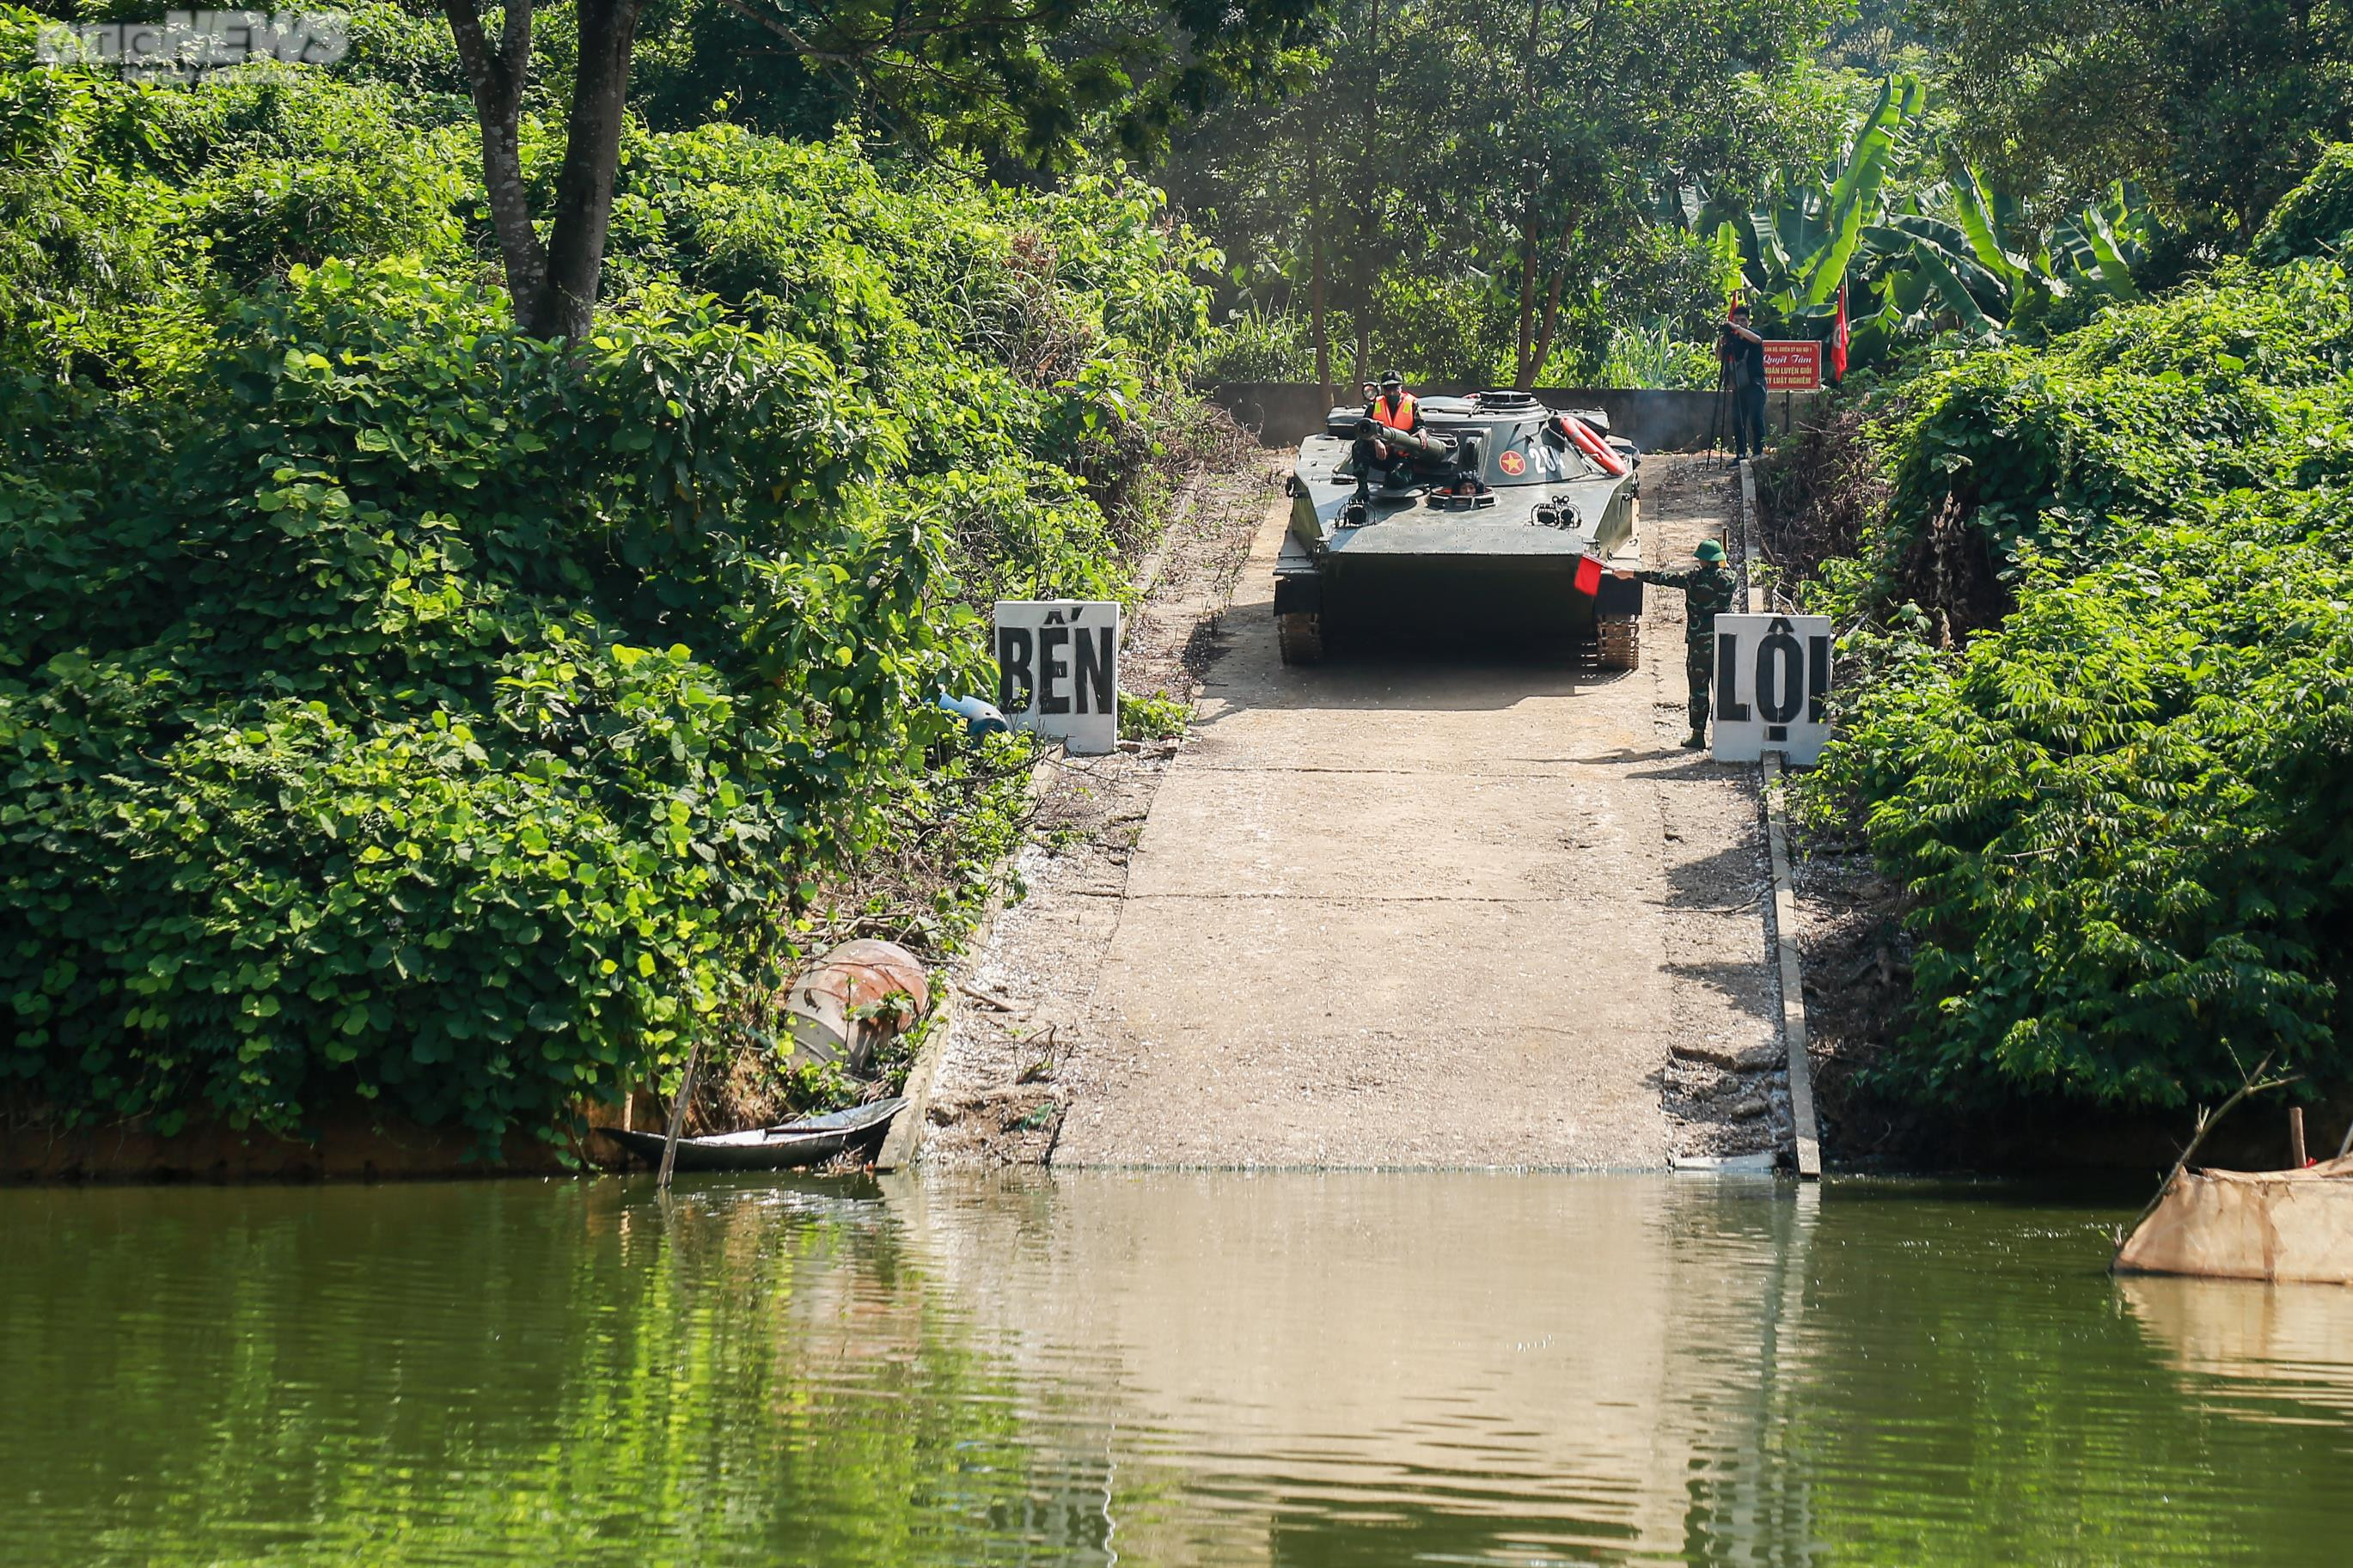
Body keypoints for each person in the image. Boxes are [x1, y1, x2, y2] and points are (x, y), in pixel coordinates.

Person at [1613, 539, 1736, 749]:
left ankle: (1698, 735)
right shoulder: (1730, 579)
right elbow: (1726, 570)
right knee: (1722, 688)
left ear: (1703, 560)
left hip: (1699, 643)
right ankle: (1723, 736)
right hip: (1723, 643)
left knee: (1698, 690)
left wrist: (1632, 573)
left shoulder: (1693, 579)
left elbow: (1663, 578)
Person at [1354, 370, 1422, 487]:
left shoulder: (1412, 404)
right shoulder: (1375, 405)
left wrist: (1422, 431)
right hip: (1380, 455)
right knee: (1360, 444)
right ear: (1383, 389)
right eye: (1388, 389)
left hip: (1402, 457)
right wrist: (1375, 440)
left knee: (1396, 480)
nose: (1391, 393)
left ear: (1401, 387)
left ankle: (1396, 478)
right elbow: (1363, 430)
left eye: (1395, 388)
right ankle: (1362, 487)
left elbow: (1420, 425)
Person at [1718, 305, 1767, 463]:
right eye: (1736, 320)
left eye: (1742, 320)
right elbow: (1720, 358)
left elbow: (1757, 340)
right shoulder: (1733, 341)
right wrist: (1721, 343)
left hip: (1756, 384)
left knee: (1756, 418)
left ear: (1748, 321)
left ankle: (1759, 452)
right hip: (1739, 386)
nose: (1739, 323)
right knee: (1737, 420)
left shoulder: (1754, 334)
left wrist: (1737, 328)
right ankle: (1740, 454)